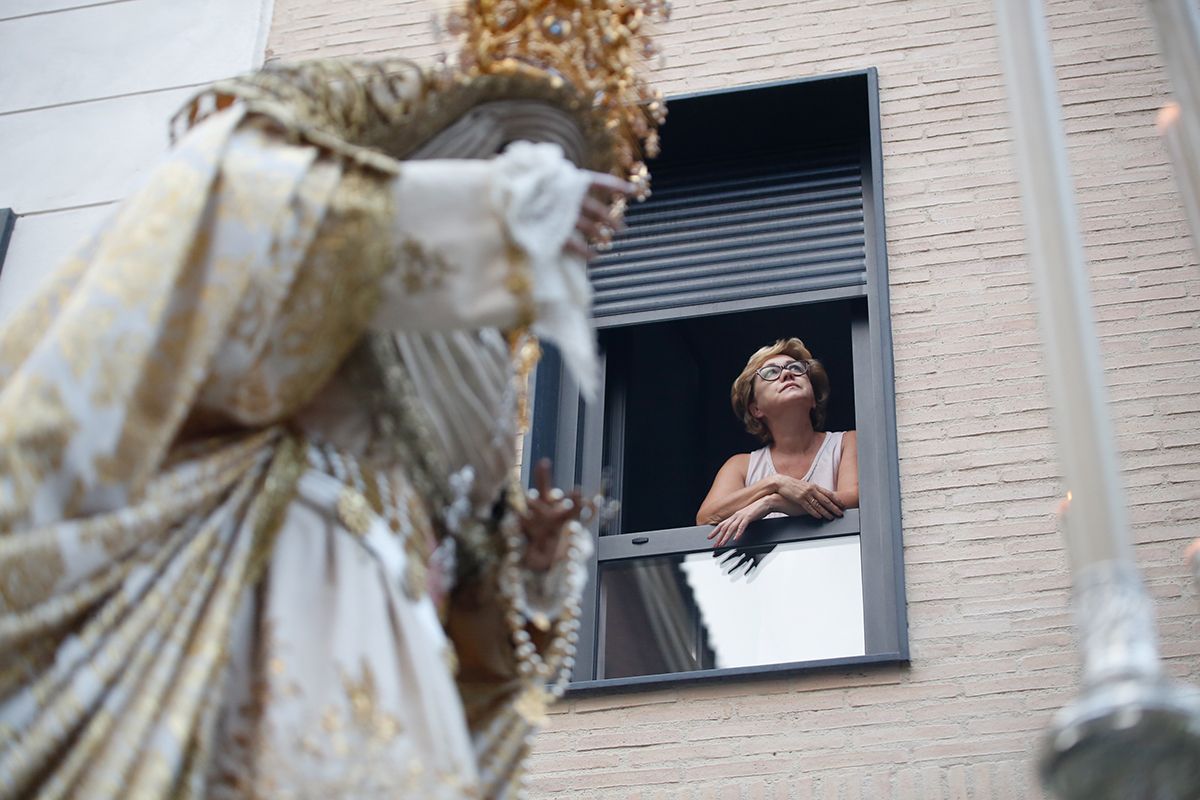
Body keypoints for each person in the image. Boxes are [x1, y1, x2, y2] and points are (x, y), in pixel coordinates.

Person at [0, 1, 668, 796]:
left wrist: (524, 567)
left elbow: (465, 597)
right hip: (290, 574)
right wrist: (463, 213)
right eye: (526, 164)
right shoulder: (342, 216)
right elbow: (224, 211)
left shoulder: (491, 377)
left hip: (401, 647)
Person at [697, 338, 859, 549]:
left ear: (813, 399)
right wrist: (774, 483)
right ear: (756, 409)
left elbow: (853, 498)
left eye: (796, 368)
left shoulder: (846, 441)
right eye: (771, 373)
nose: (787, 373)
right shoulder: (741, 465)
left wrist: (772, 502)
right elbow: (707, 516)